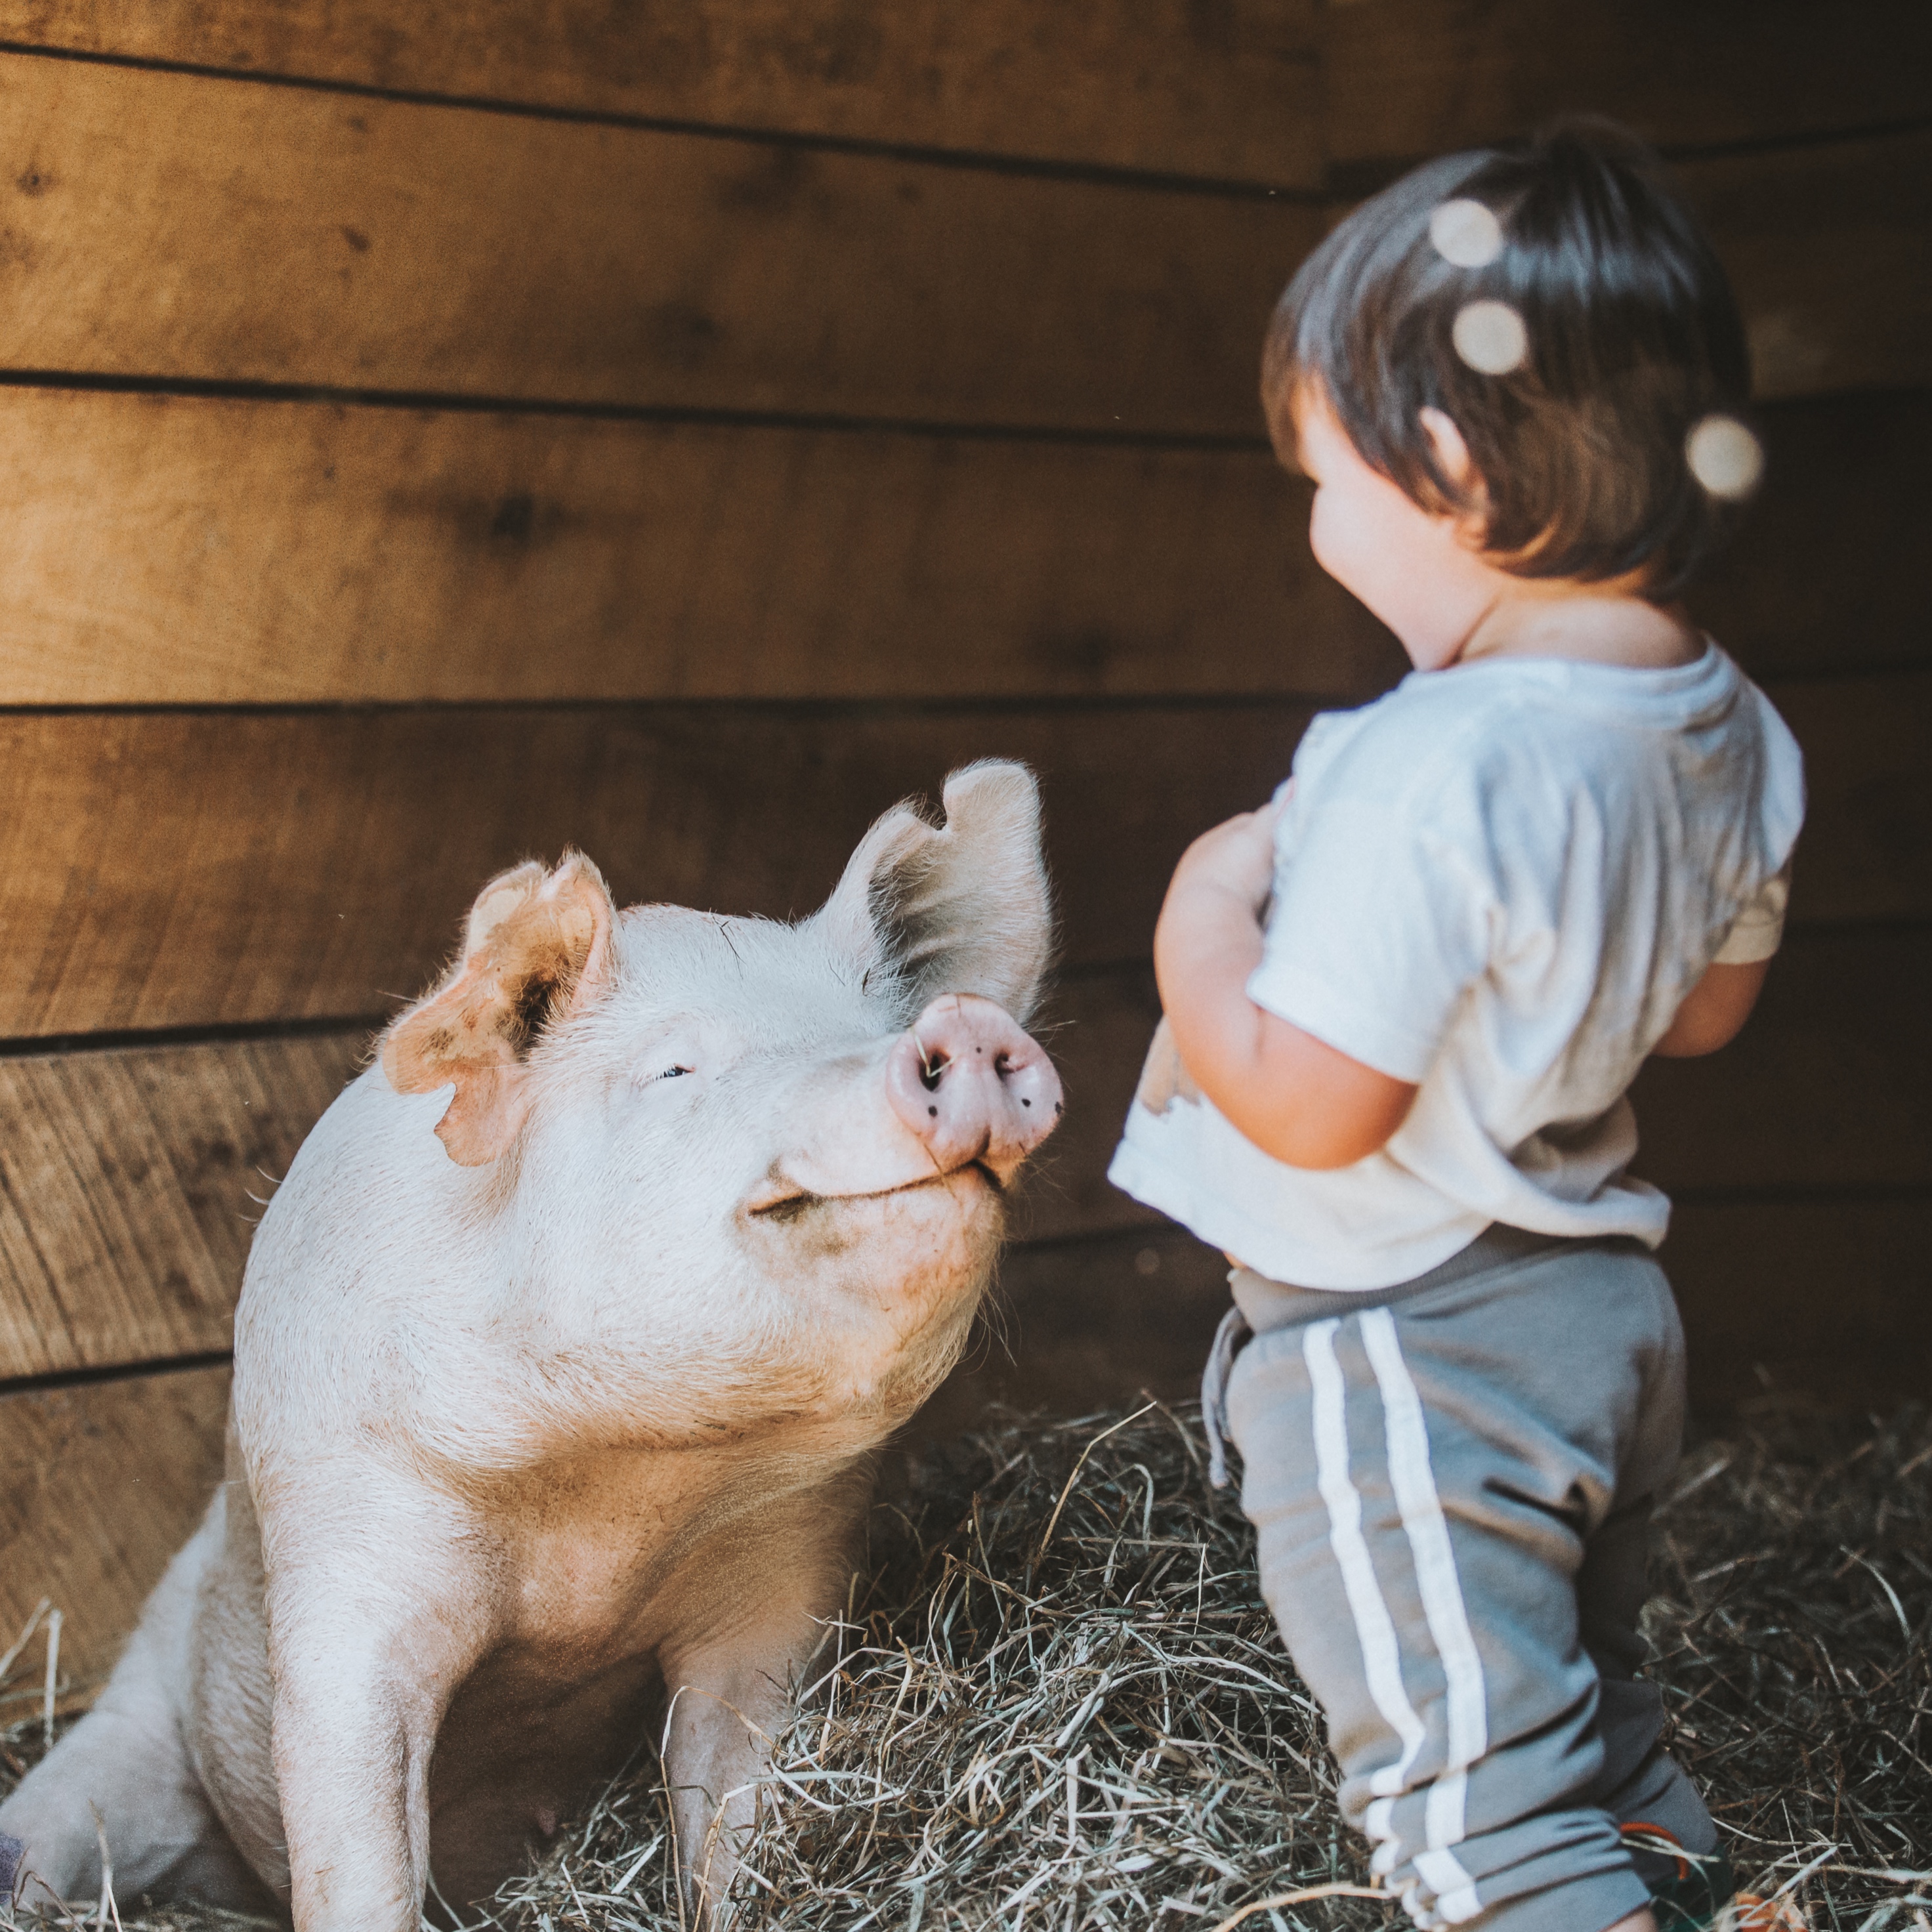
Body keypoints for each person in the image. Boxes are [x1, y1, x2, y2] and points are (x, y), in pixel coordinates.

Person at [1108, 121, 1803, 1932]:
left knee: (1472, 1809)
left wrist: (1198, 932)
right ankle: (1676, 1882)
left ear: (1443, 466)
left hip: (1405, 1347)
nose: (1320, 524)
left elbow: (1316, 1113)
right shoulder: (1727, 722)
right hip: (1601, 1311)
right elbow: (1711, 1012)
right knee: (1587, 1707)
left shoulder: (1428, 773)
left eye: (1325, 480)